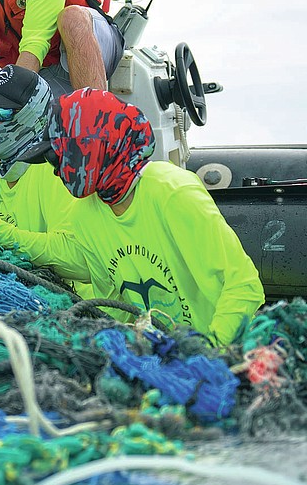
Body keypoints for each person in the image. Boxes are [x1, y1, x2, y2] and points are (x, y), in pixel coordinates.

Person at [19, 87, 265, 344]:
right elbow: (116, 309)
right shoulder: (84, 215)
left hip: (226, 352)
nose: (55, 170)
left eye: (56, 157)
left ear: (89, 147)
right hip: (162, 357)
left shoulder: (171, 192)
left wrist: (211, 350)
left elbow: (243, 285)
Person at [0, 64, 93, 298]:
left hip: (71, 307)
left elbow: (79, 260)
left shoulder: (58, 174)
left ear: (32, 114)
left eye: (1, 113)